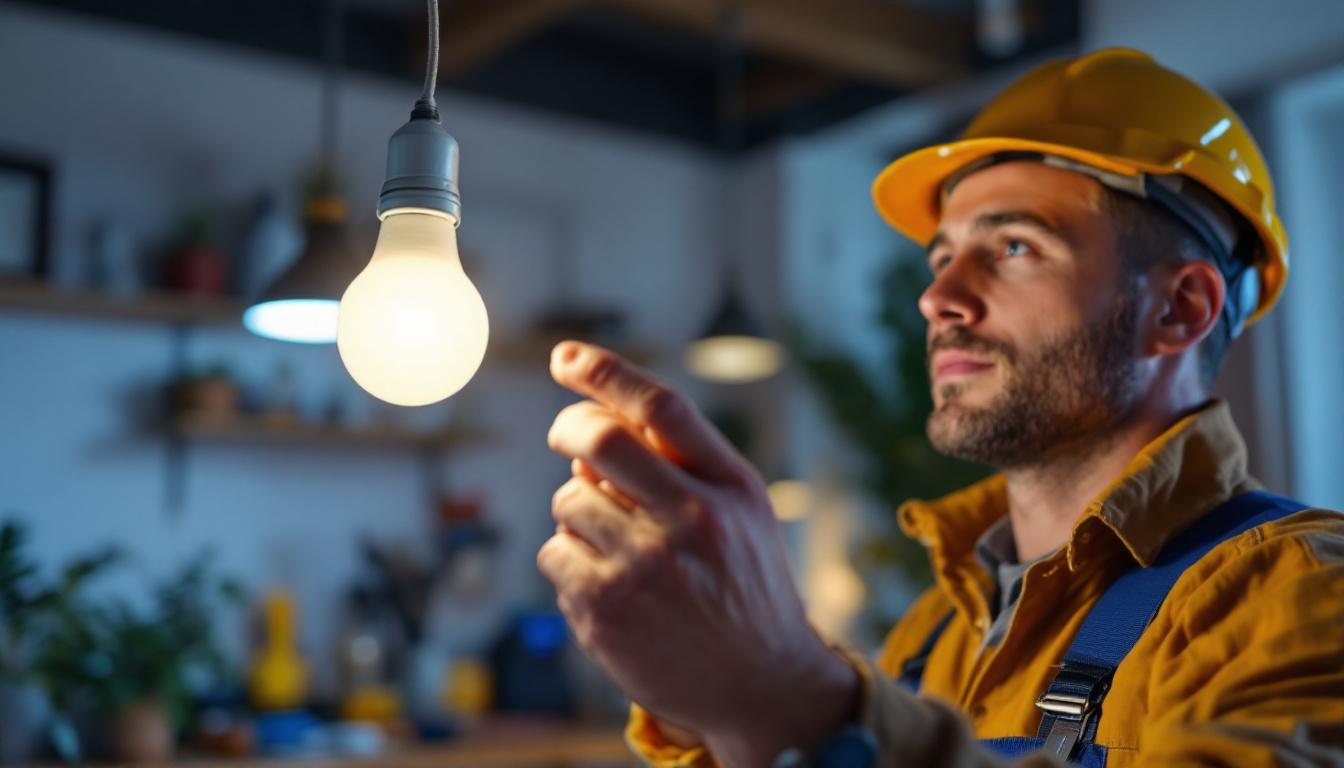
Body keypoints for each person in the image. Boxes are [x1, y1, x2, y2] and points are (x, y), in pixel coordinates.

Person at [537, 48, 1344, 768]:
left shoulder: (1301, 593)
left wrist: (799, 701)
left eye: (1015, 247)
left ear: (1180, 308)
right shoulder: (935, 632)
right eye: (944, 256)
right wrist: (711, 702)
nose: (938, 298)